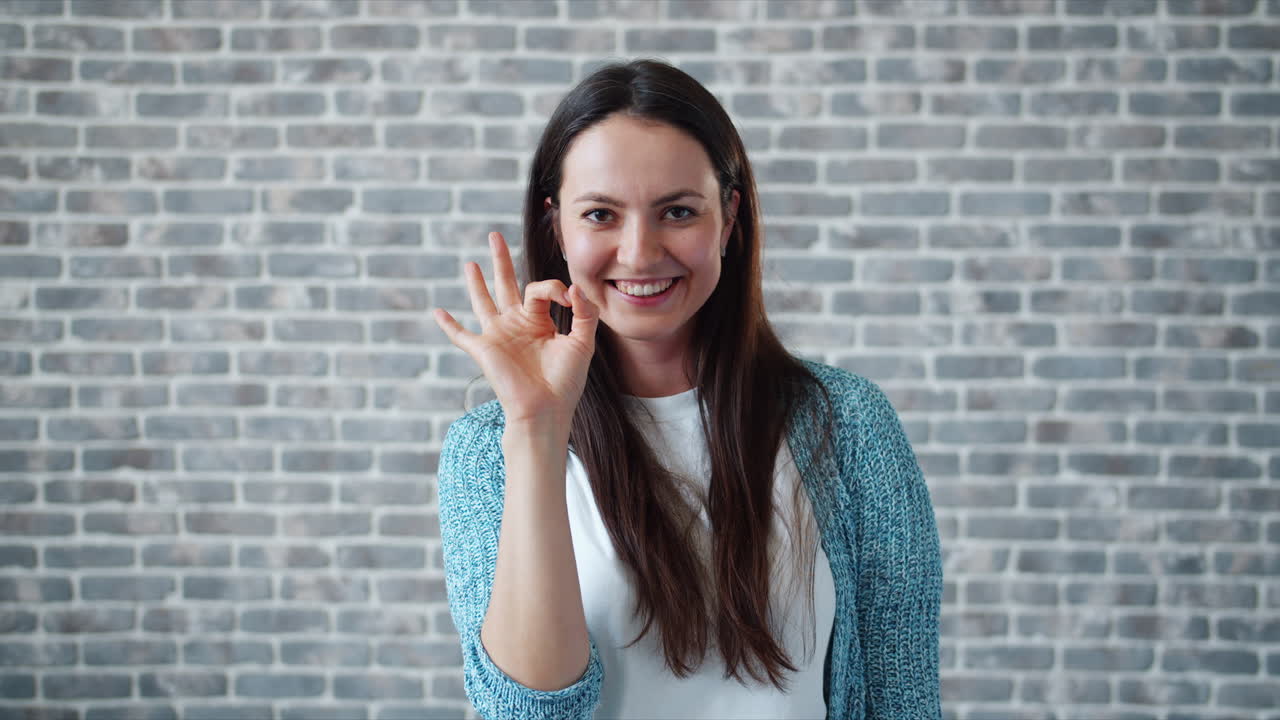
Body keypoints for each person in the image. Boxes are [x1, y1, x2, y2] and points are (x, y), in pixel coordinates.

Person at [432, 59, 942, 720]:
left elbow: (902, 701)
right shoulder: (487, 451)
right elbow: (527, 713)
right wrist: (535, 428)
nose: (640, 253)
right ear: (558, 227)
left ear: (728, 219)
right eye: (601, 215)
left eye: (677, 211)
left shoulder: (848, 423)